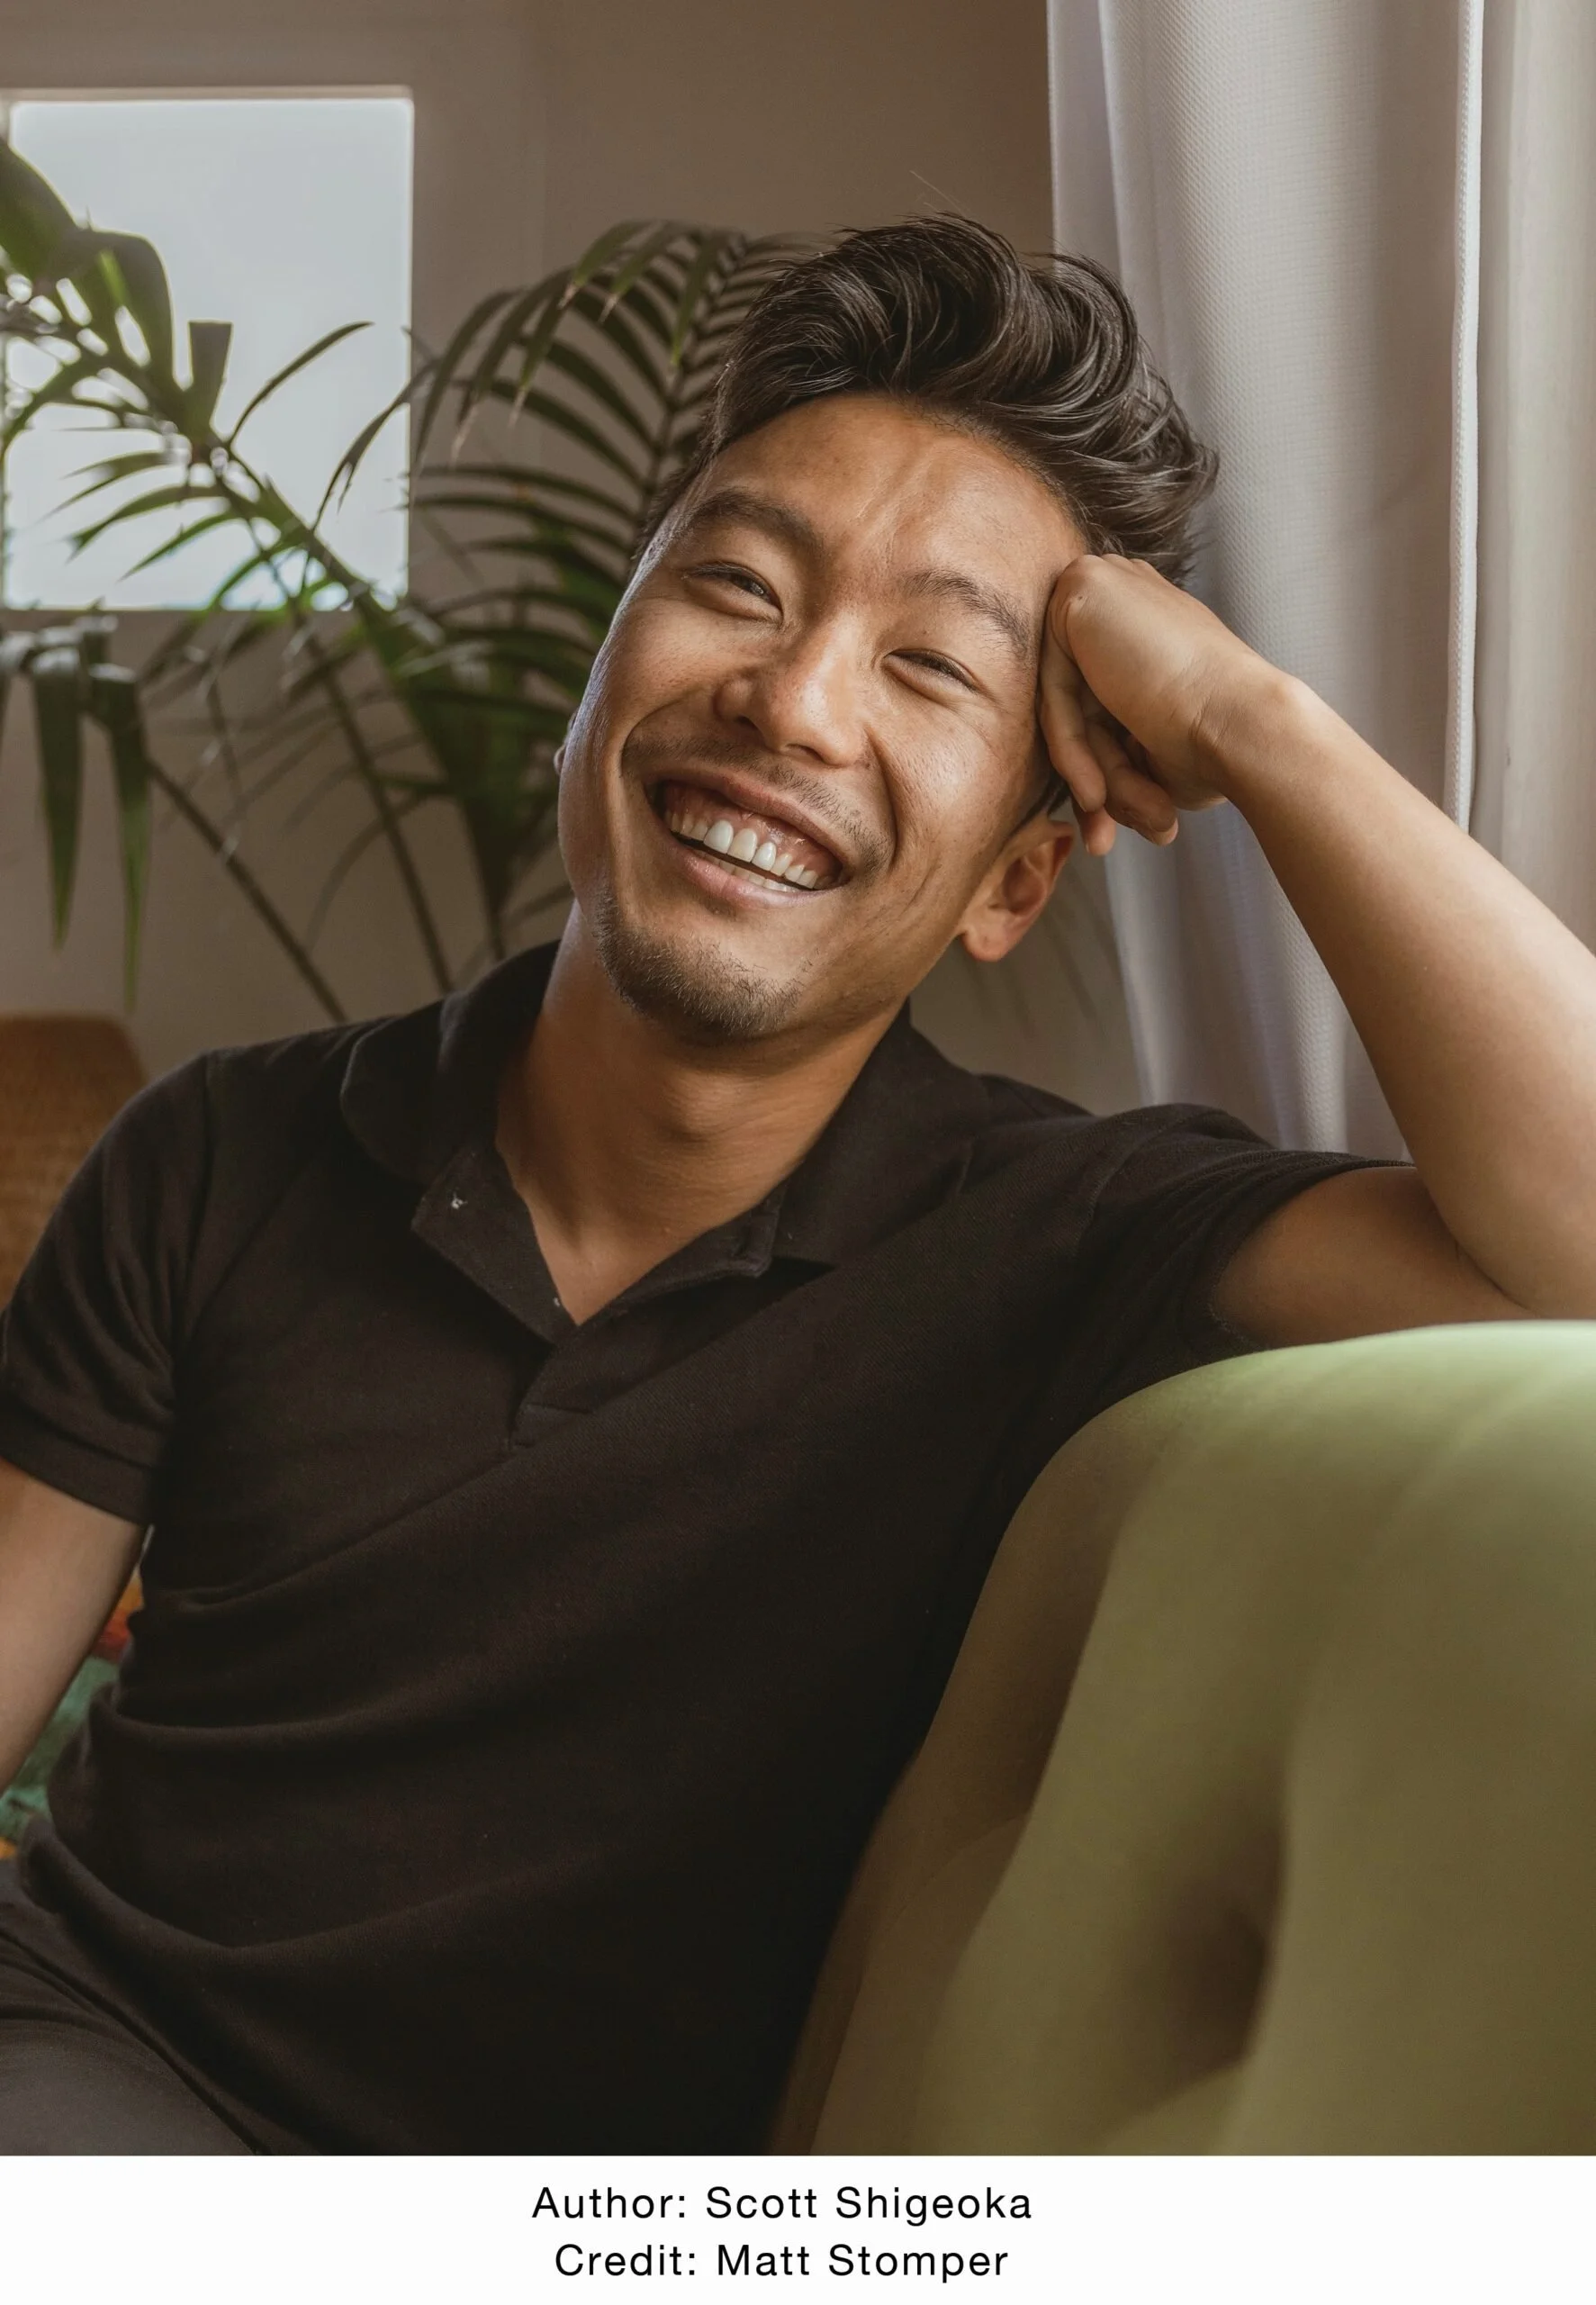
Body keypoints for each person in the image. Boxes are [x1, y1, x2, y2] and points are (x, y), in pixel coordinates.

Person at [0, 214, 1592, 2156]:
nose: (798, 698)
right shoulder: (223, 1151)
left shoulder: (1059, 1244)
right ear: (596, 693)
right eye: (737, 587)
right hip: (94, 2070)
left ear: (1016, 878)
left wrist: (1255, 725)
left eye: (931, 663)